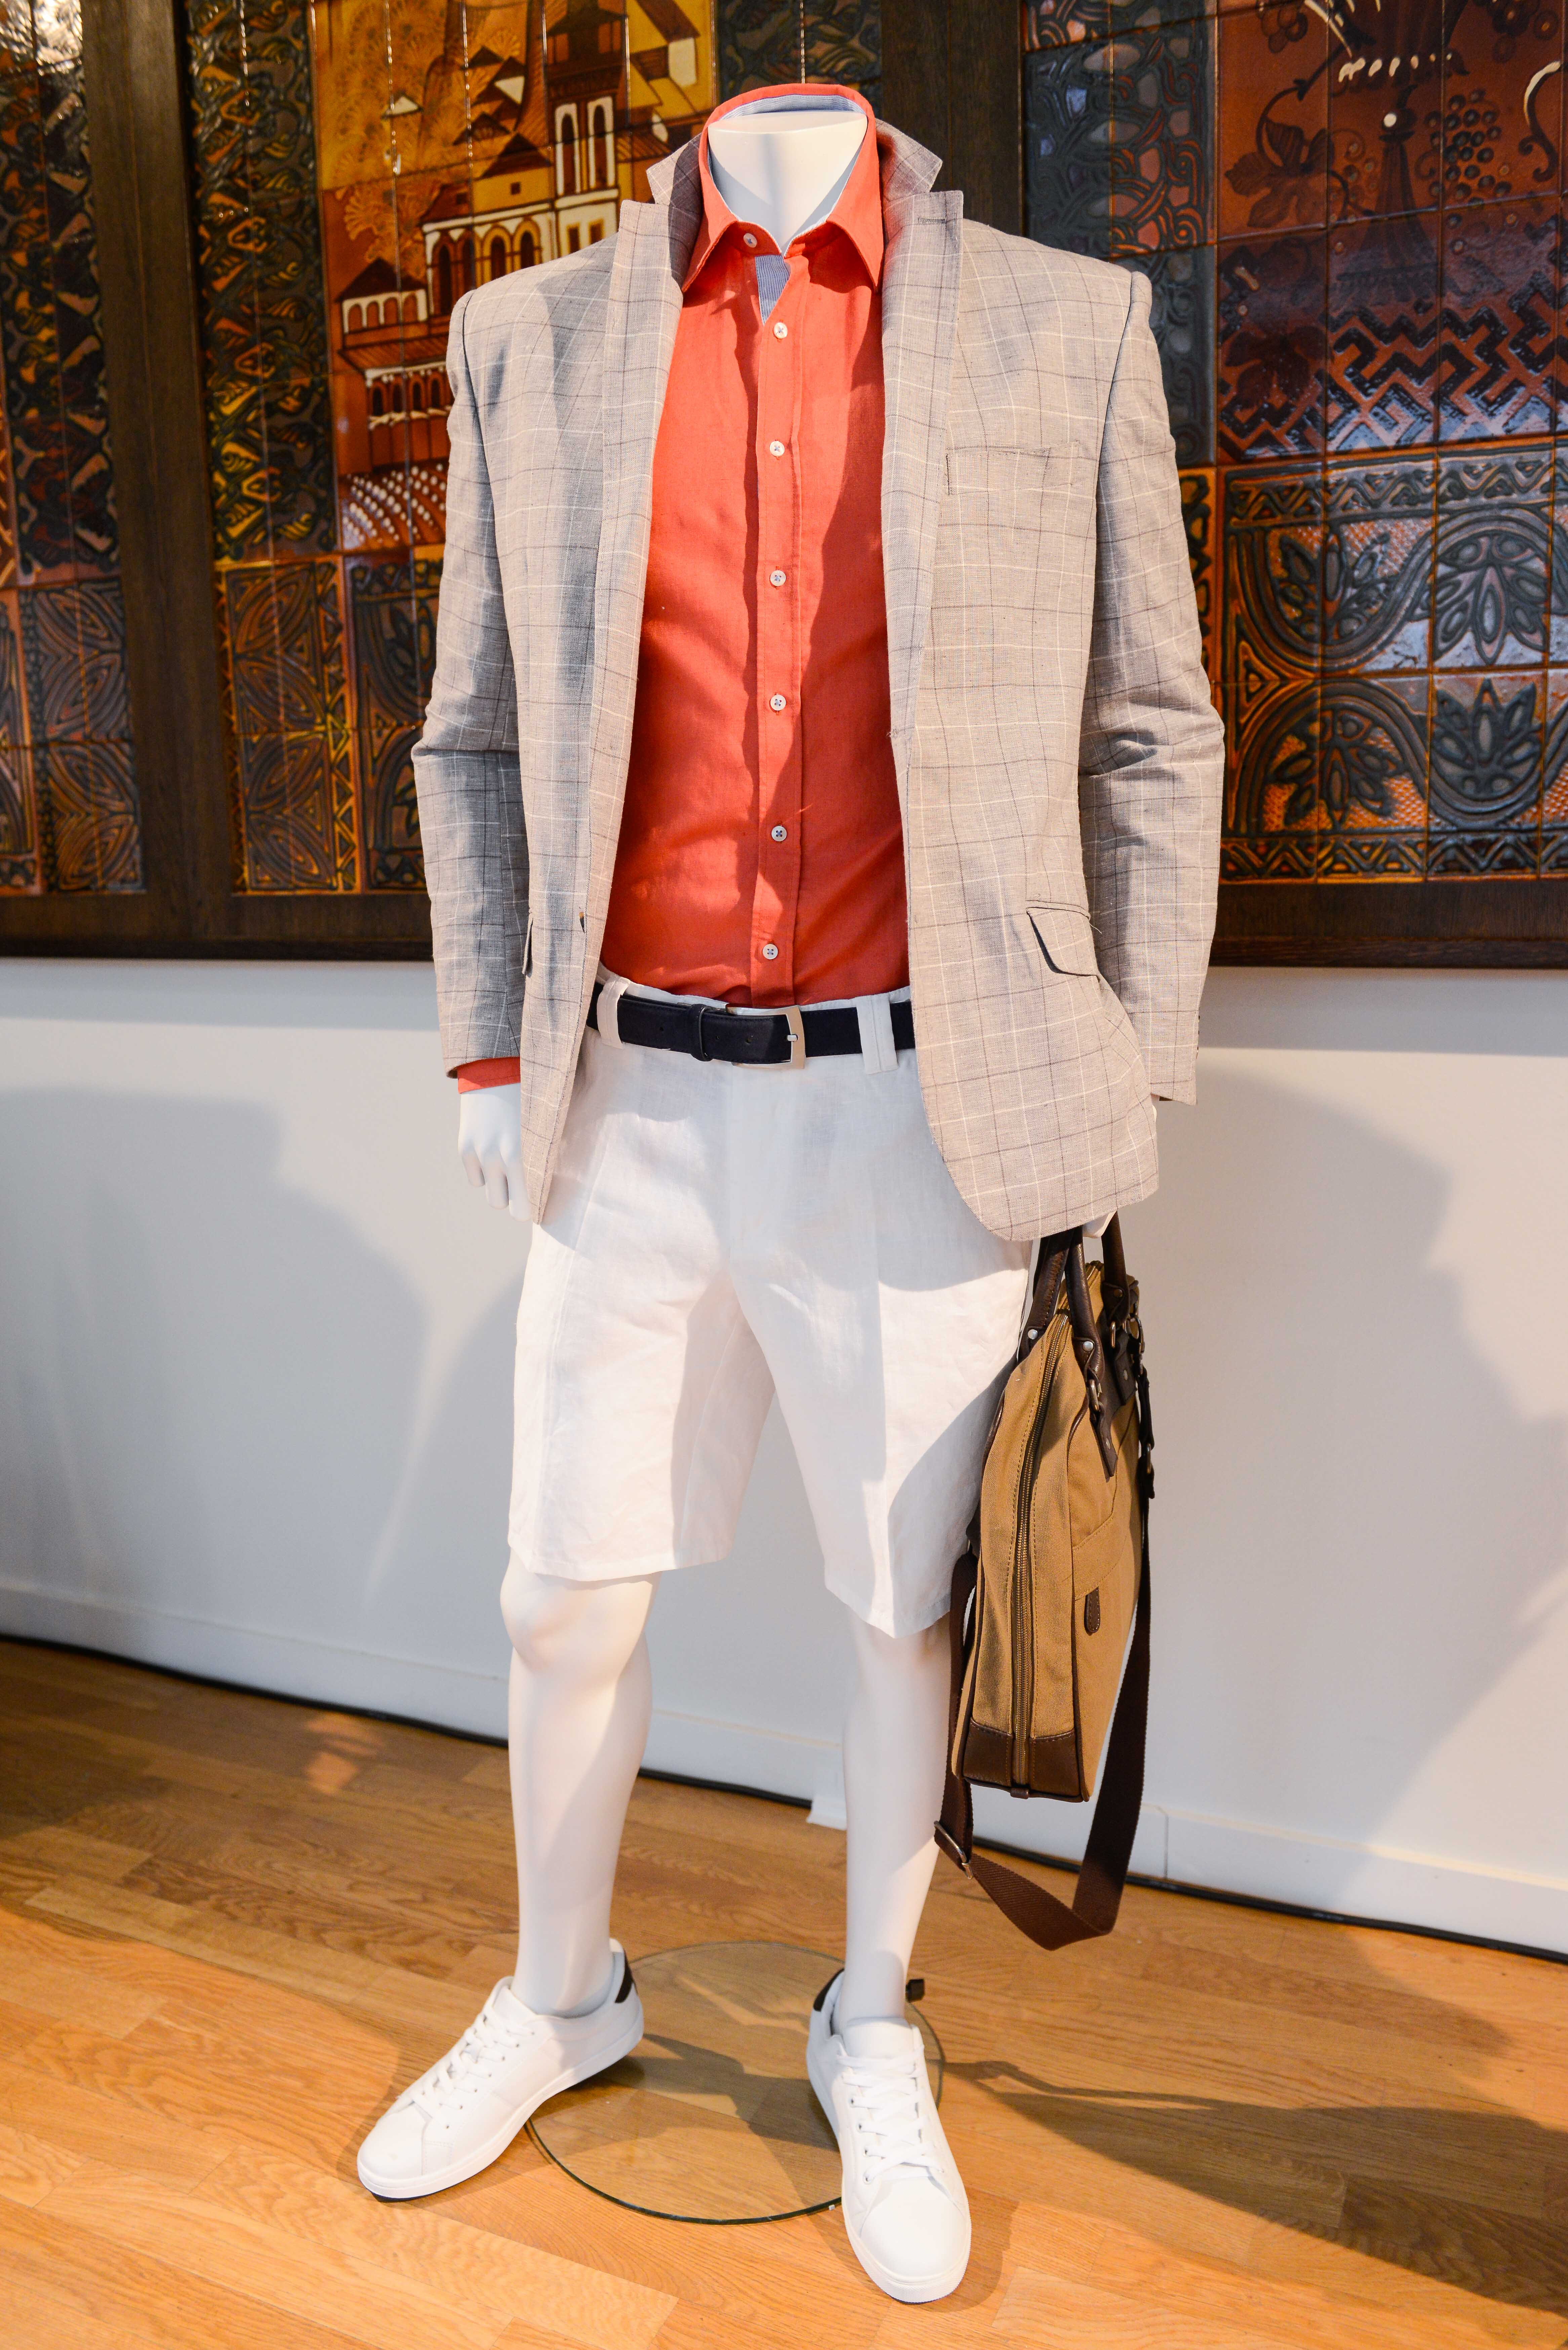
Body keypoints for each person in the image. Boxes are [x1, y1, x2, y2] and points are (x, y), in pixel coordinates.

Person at [357, 81, 1222, 2307]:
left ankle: (873, 2023)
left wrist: (1128, 1057)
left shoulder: (1063, 326)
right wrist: (488, 1045)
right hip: (624, 1097)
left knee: (899, 1603)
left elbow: (1151, 727)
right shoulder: (528, 340)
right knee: (561, 1589)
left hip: (921, 1103)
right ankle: (561, 1991)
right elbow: (472, 734)